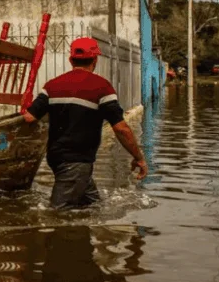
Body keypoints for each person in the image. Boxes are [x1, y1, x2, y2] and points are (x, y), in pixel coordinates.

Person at [22, 37, 148, 209]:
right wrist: (138, 157)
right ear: (95, 60)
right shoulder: (102, 88)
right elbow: (121, 129)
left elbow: (29, 117)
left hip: (56, 158)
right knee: (58, 214)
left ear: (70, 60)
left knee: (94, 206)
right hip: (76, 162)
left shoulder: (52, 86)